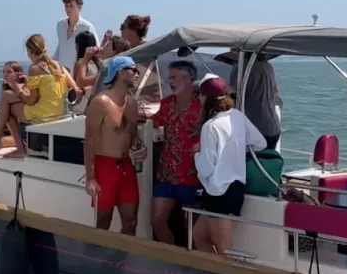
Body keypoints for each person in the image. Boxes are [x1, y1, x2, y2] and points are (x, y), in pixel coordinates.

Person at [192, 75, 266, 255]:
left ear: (207, 97)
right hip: (235, 188)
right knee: (199, 236)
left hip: (219, 192)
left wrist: (197, 153)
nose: (198, 98)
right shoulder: (237, 116)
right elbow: (261, 143)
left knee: (225, 249)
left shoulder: (210, 126)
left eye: (200, 94)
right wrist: (236, 151)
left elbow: (205, 168)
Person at [0, 34, 79, 157]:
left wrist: (17, 88)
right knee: (7, 101)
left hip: (43, 116)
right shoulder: (58, 66)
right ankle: (2, 142)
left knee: (6, 99)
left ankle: (2, 143)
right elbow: (74, 89)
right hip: (58, 114)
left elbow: (31, 101)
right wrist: (28, 82)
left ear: (29, 51)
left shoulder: (35, 68)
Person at [84, 56, 147, 235]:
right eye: (134, 70)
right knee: (103, 221)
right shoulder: (101, 102)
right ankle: (96, 259)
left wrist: (139, 146)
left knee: (131, 220)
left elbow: (131, 135)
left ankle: (122, 261)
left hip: (126, 165)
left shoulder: (132, 103)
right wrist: (90, 177)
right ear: (121, 72)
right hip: (105, 166)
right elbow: (89, 141)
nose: (137, 74)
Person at [149, 60, 202, 244]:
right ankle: (171, 260)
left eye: (174, 77)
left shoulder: (201, 107)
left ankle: (191, 264)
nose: (170, 81)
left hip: (191, 175)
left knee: (191, 229)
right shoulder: (166, 104)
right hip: (165, 174)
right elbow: (153, 122)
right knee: (157, 221)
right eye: (169, 77)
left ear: (188, 79)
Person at [228, 52, 280, 150]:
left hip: (254, 129)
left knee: (250, 164)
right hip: (273, 126)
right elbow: (276, 91)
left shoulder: (240, 67)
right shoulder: (268, 67)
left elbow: (231, 93)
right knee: (268, 162)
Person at [53, 0, 99, 73]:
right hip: (61, 72)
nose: (68, 9)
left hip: (78, 72)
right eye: (66, 6)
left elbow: (95, 49)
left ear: (79, 7)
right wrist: (52, 62)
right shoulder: (60, 25)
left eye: (71, 6)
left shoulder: (87, 26)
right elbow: (61, 45)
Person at [72, 30, 101, 114]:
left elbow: (76, 84)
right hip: (95, 103)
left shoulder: (81, 63)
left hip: (83, 105)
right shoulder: (97, 62)